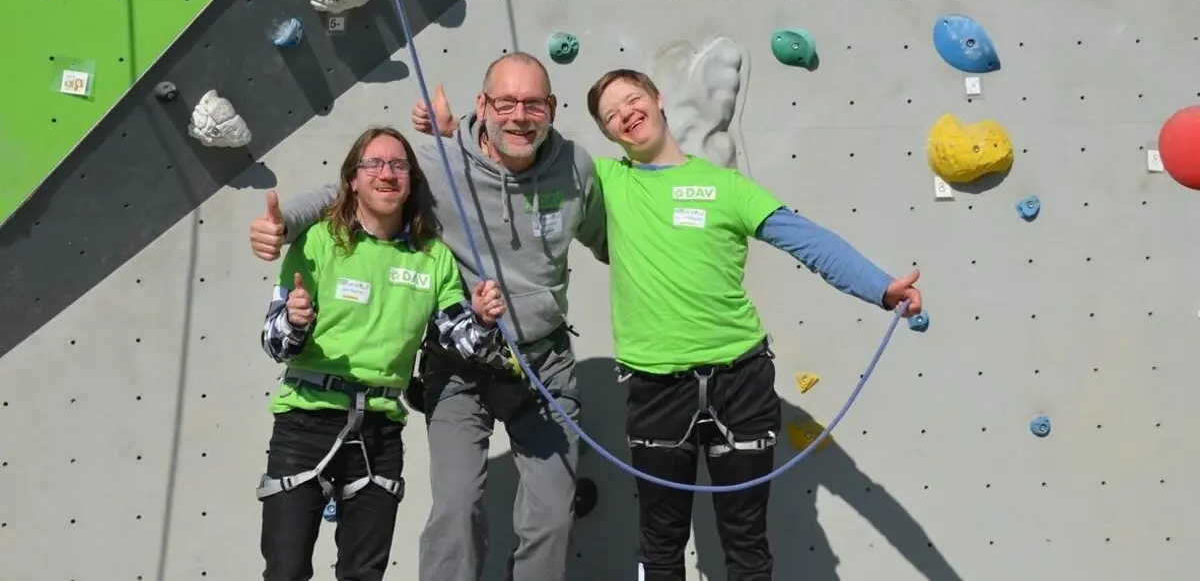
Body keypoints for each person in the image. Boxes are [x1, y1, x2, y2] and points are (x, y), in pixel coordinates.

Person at [248, 52, 609, 581]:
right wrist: (284, 227)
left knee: (552, 519)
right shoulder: (438, 166)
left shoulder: (576, 169)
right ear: (482, 106)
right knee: (456, 511)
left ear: (551, 108)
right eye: (505, 102)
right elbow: (355, 188)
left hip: (544, 363)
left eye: (533, 104)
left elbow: (613, 241)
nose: (519, 116)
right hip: (460, 368)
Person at [583, 68, 924, 581]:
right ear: (608, 135)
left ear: (657, 99)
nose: (626, 115)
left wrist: (880, 287)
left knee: (746, 543)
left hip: (740, 383)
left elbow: (805, 239)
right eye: (611, 116)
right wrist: (460, 135)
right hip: (656, 389)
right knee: (660, 543)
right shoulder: (608, 181)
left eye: (632, 100)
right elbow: (529, 154)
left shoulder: (726, 187)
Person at [256, 125, 507, 581]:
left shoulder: (432, 257)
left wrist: (484, 321)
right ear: (352, 178)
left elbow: (460, 339)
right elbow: (274, 343)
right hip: (305, 421)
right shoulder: (316, 243)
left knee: (364, 573)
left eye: (398, 165)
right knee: (286, 569)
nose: (386, 174)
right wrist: (294, 322)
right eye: (373, 164)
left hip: (379, 430)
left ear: (410, 179)